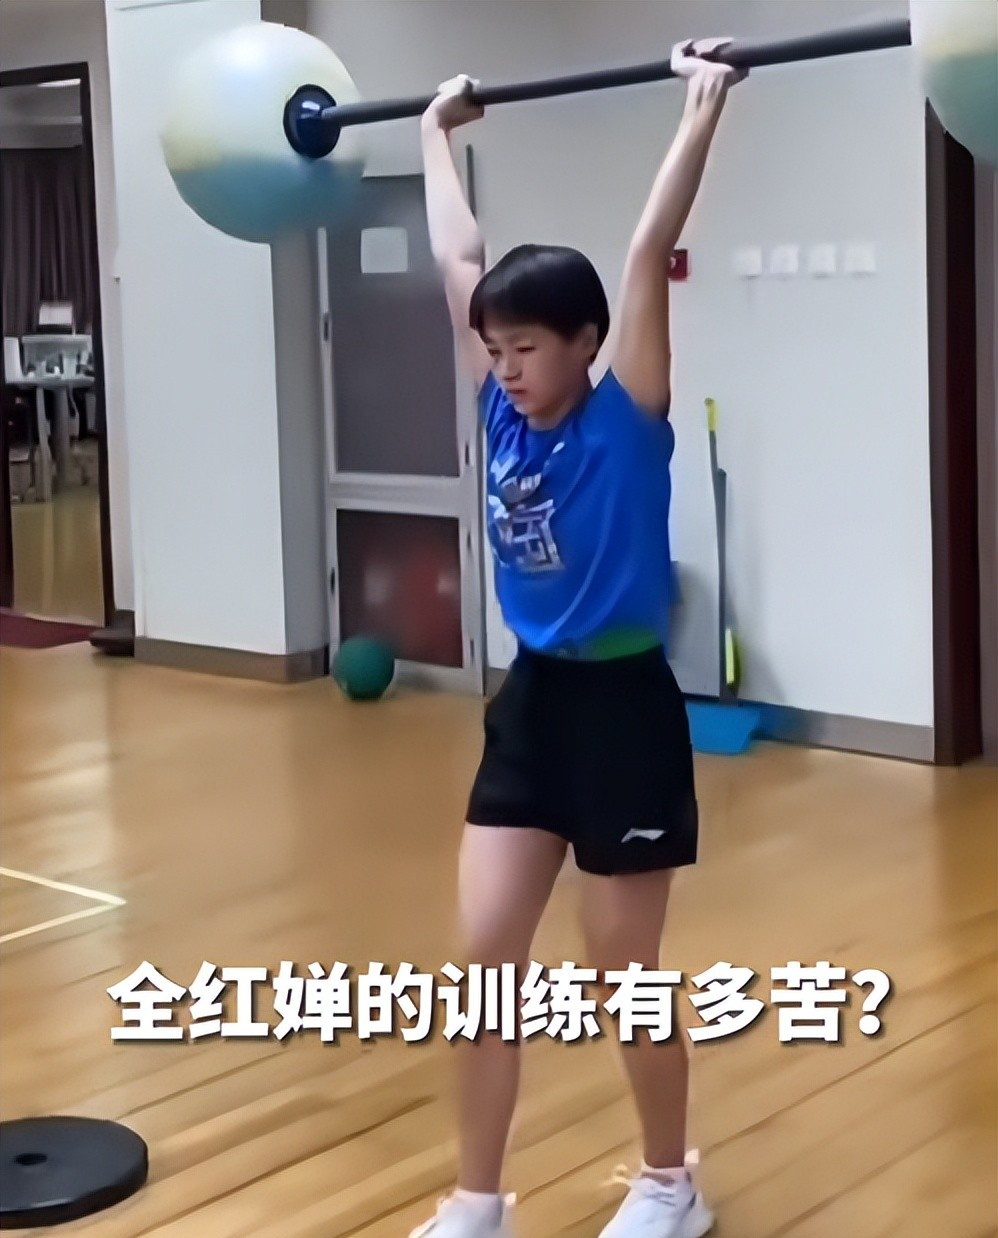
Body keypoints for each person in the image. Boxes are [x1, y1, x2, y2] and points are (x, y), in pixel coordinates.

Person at [412, 37, 746, 1238]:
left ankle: (668, 1181)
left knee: (620, 975)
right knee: (482, 960)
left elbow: (646, 251)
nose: (504, 369)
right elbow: (458, 258)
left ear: (585, 342)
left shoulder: (625, 420)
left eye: (526, 349)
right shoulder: (500, 415)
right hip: (533, 705)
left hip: (623, 712)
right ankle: (476, 1199)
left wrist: (700, 106)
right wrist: (432, 135)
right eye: (494, 350)